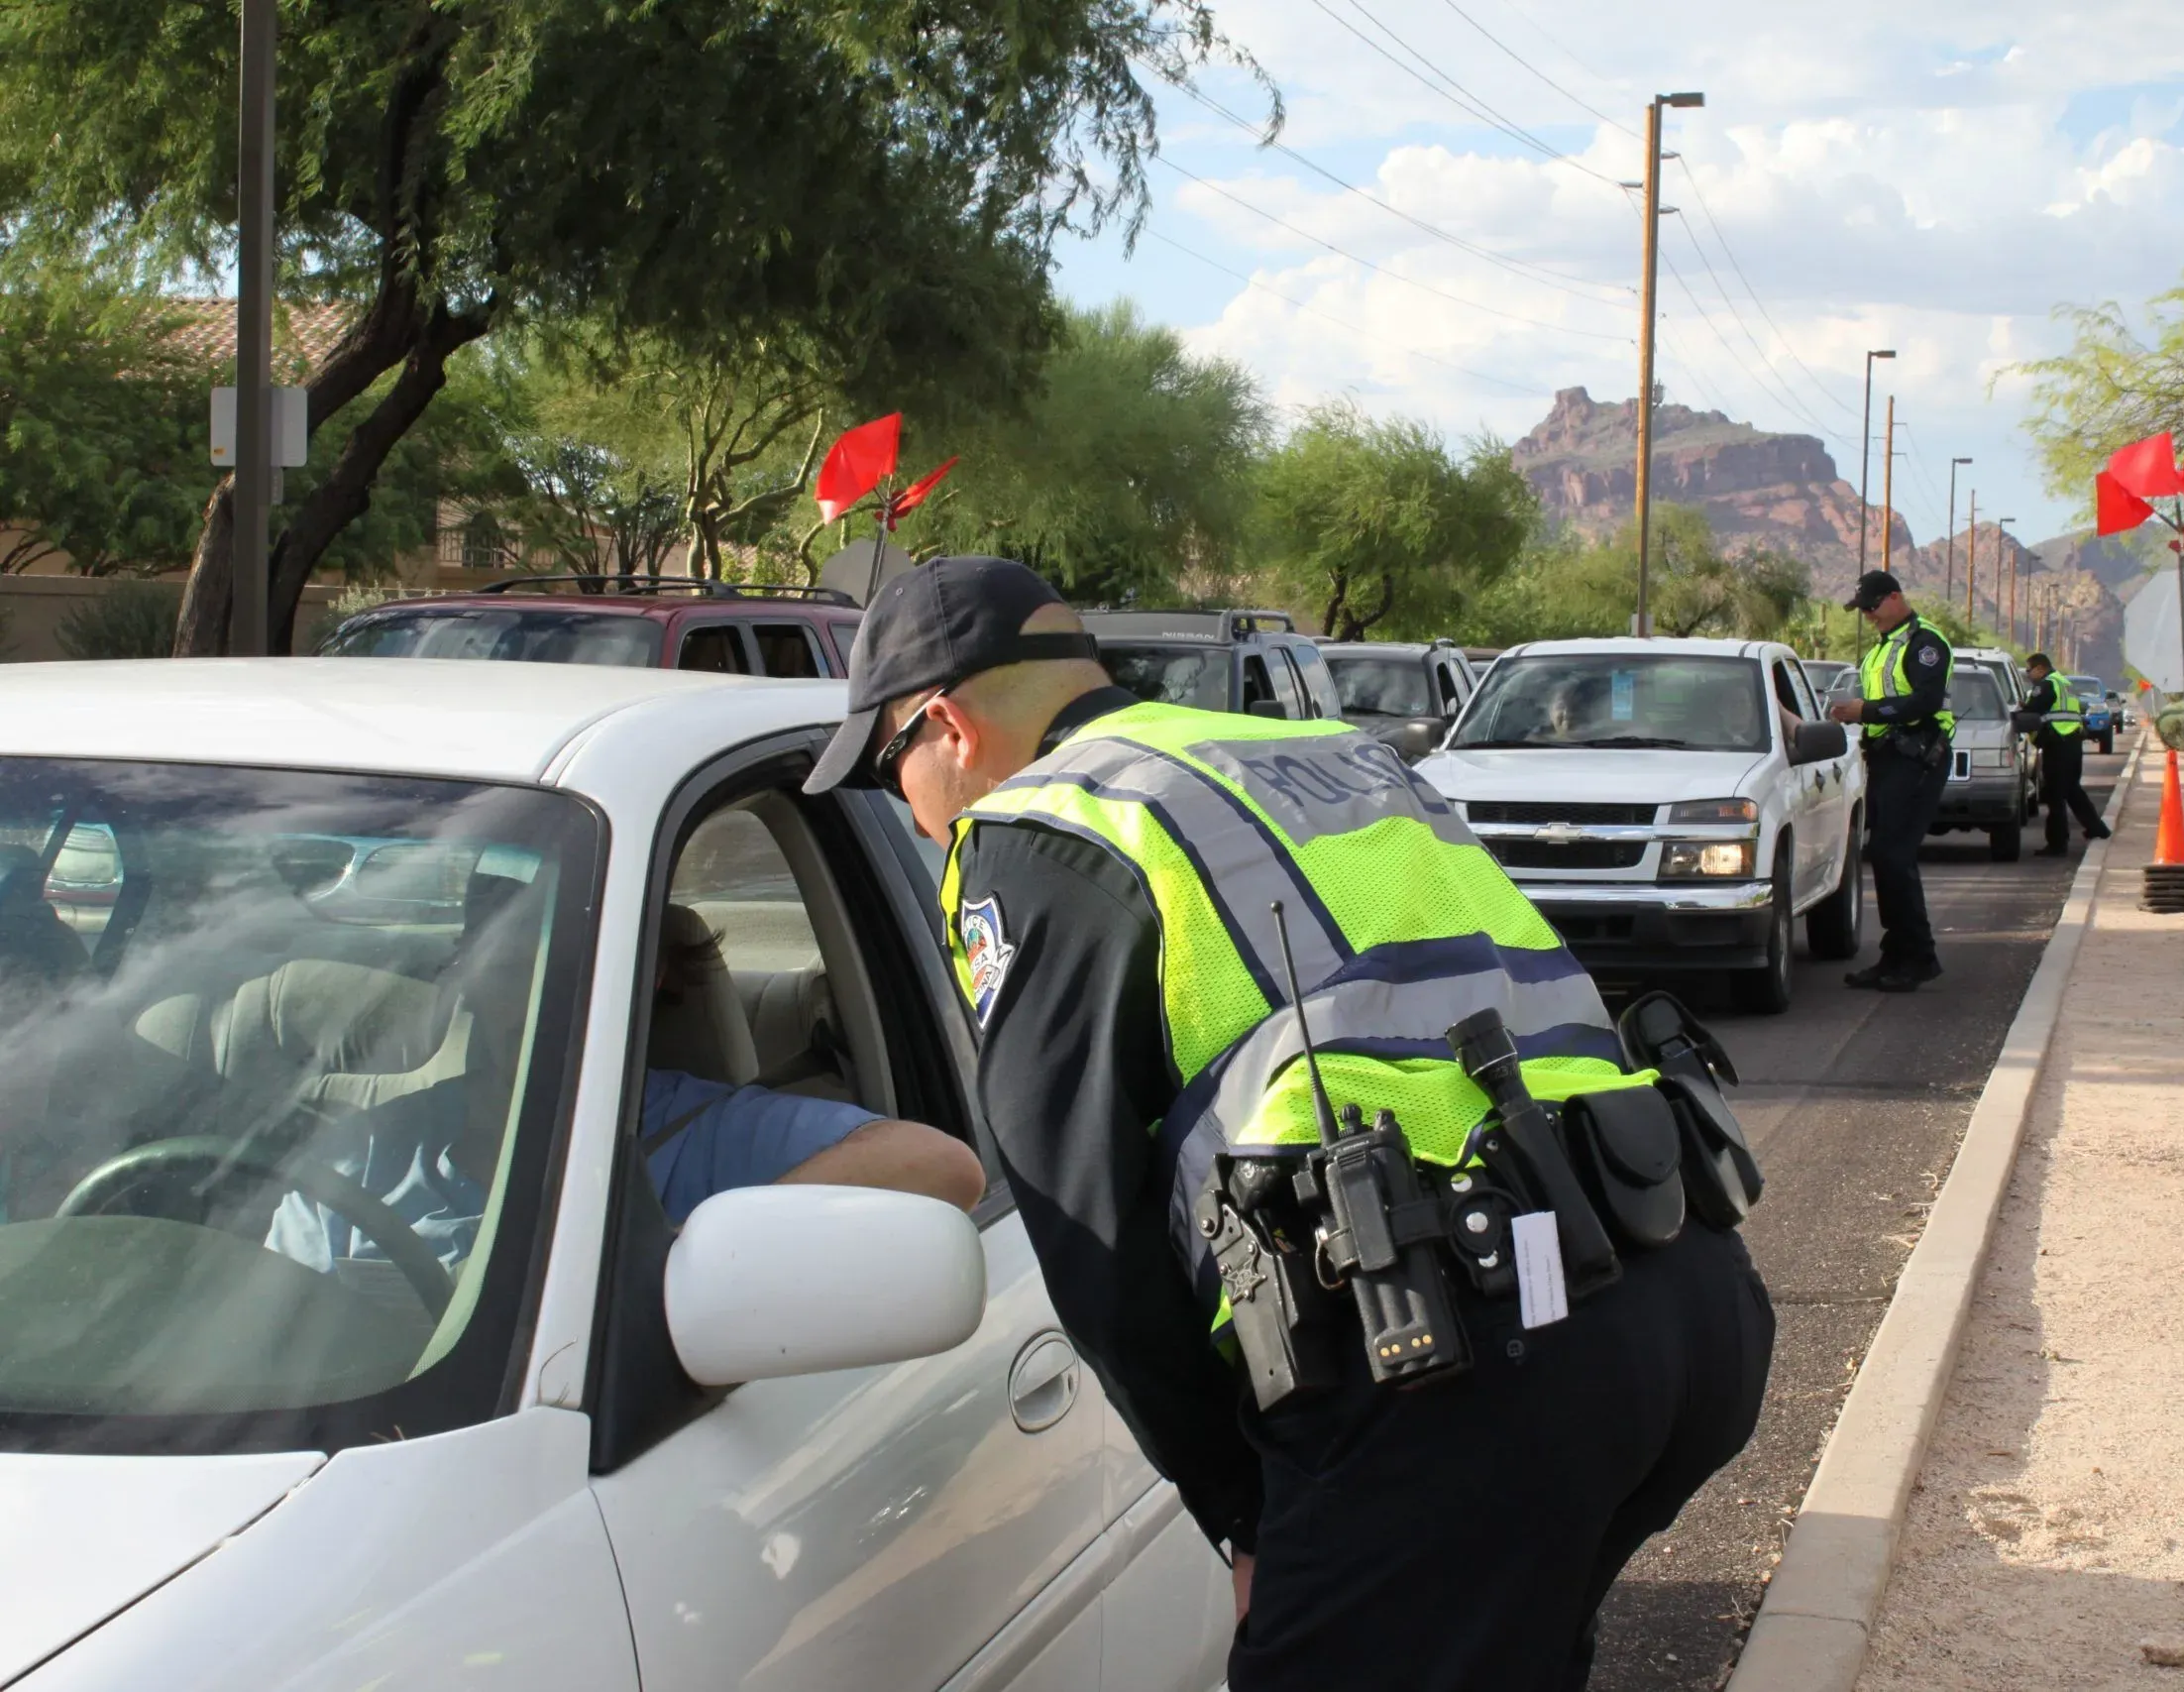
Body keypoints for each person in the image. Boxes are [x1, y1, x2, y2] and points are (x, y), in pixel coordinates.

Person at [804, 556, 1775, 1692]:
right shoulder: (1317, 755)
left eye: (886, 772)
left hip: (1454, 1374)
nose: (911, 819)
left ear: (947, 725)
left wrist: (1247, 1518)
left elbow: (1089, 1230)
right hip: (1673, 1295)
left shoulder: (1035, 828)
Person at [271, 912, 982, 1276]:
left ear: (641, 982)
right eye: (507, 958)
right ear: (464, 976)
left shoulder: (705, 1131)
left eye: (569, 957)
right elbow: (272, 1315)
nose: (538, 983)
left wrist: (680, 1259)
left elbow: (939, 1165)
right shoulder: (373, 1147)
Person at [1825, 570, 1954, 992]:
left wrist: (1866, 712)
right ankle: (1895, 955)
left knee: (1894, 856)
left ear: (1896, 597)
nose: (1867, 616)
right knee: (1883, 857)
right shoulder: (1884, 646)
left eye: (1872, 607)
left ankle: (1918, 957)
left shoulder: (1925, 642)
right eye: (1862, 609)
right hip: (1886, 758)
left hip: (1916, 756)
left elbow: (1925, 701)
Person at [2020, 652, 2112, 857]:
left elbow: (2032, 711)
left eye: (2029, 670)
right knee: (2072, 790)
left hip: (2057, 744)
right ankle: (2097, 828)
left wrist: (2018, 713)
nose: (2028, 674)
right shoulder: (2064, 683)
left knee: (2055, 795)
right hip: (2072, 743)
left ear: (2040, 669)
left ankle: (2057, 843)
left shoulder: (2045, 686)